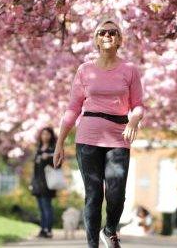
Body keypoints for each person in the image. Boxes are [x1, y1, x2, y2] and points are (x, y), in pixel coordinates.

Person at [54, 16, 145, 248]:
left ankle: (110, 228)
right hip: (88, 138)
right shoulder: (85, 70)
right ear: (96, 40)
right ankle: (92, 245)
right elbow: (73, 107)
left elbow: (138, 104)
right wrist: (60, 143)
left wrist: (134, 119)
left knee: (116, 193)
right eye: (102, 33)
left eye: (112, 32)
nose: (107, 36)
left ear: (119, 40)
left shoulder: (129, 70)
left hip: (119, 137)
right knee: (93, 195)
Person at [30, 127, 58, 238]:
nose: (45, 136)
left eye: (47, 134)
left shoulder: (53, 149)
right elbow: (35, 168)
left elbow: (58, 164)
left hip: (48, 183)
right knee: (41, 208)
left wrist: (48, 158)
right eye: (43, 134)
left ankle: (48, 230)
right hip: (37, 182)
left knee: (47, 206)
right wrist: (32, 182)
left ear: (51, 135)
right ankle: (42, 229)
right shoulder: (38, 149)